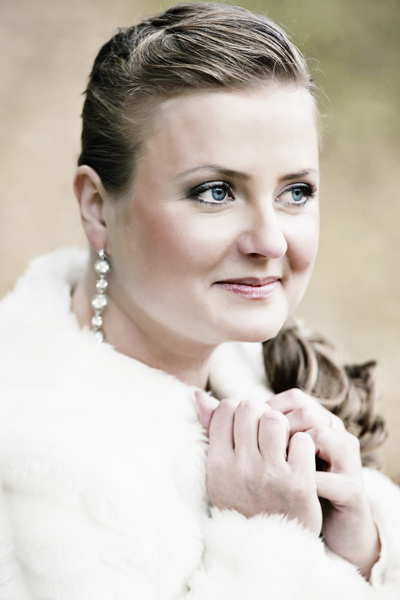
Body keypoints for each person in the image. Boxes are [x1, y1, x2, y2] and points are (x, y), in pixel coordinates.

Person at [0, 3, 399, 598]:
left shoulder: (275, 381)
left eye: (296, 191)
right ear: (97, 207)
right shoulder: (29, 472)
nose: (270, 241)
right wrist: (269, 542)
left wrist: (364, 554)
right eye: (215, 192)